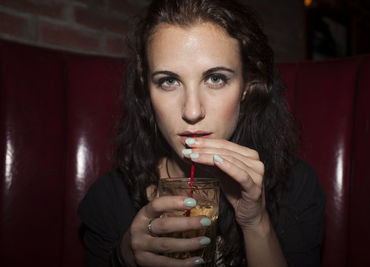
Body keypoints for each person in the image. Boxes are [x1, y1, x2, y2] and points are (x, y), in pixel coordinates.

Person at [78, 0, 326, 266]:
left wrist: (256, 223)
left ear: (246, 85)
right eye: (169, 81)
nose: (193, 111)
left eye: (216, 78)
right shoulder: (110, 198)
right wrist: (123, 257)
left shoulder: (296, 187)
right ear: (146, 88)